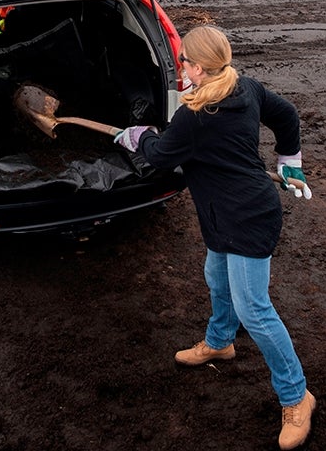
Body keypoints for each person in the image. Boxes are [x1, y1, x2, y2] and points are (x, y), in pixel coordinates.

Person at [114, 25, 315, 449]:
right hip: (222, 213)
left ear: (199, 68)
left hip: (247, 217)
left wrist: (138, 136)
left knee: (255, 310)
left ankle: (297, 395)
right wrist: (289, 158)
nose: (179, 66)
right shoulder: (246, 87)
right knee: (217, 277)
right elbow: (286, 115)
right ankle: (221, 342)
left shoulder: (194, 118)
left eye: (183, 60)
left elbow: (160, 157)